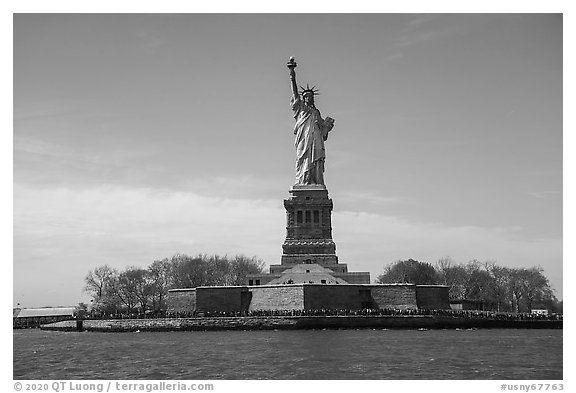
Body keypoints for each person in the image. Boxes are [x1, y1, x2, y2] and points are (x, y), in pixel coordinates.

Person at [287, 57, 334, 185]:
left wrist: (327, 126)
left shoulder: (316, 112)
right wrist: (292, 74)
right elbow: (295, 92)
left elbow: (323, 131)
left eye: (311, 96)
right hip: (304, 138)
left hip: (316, 139)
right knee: (303, 158)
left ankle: (315, 181)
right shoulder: (300, 107)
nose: (309, 98)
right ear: (303, 98)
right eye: (306, 96)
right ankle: (303, 180)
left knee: (316, 159)